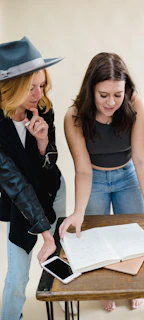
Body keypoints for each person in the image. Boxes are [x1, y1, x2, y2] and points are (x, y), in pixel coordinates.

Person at [59, 52, 144, 312]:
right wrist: (78, 212)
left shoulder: (136, 105)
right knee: (94, 237)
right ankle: (105, 288)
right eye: (104, 95)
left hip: (127, 174)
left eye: (118, 94)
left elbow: (141, 159)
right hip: (94, 177)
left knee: (133, 235)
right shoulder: (74, 116)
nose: (111, 102)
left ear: (126, 89)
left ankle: (131, 285)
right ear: (91, 90)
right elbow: (82, 170)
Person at [0, 37, 66, 320]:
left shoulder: (44, 109)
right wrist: (45, 233)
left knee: (61, 260)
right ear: (11, 88)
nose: (39, 93)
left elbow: (51, 168)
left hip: (53, 192)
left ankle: (65, 301)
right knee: (16, 279)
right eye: (32, 87)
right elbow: (16, 184)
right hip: (20, 203)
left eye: (43, 85)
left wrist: (42, 144)